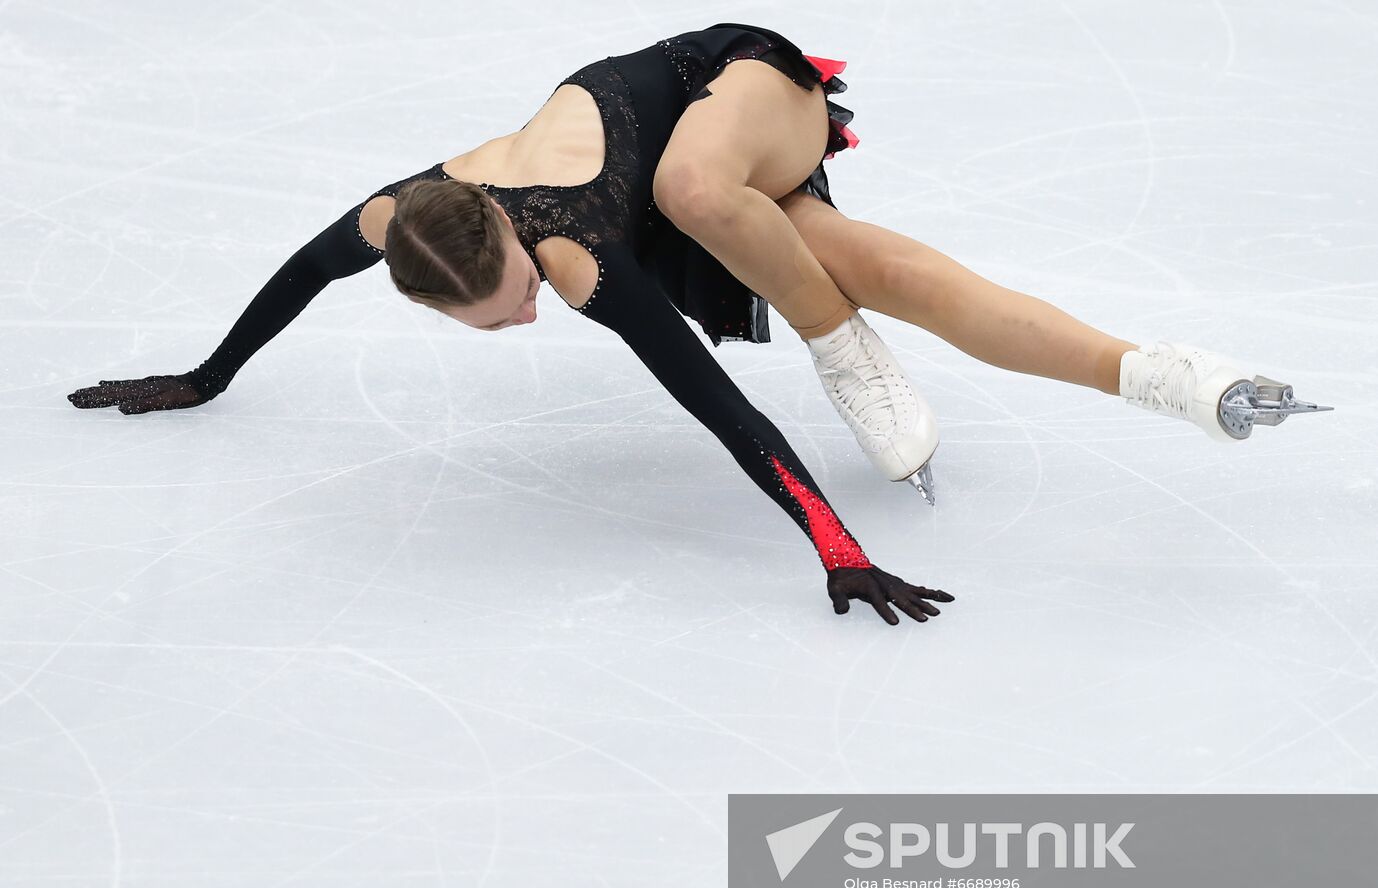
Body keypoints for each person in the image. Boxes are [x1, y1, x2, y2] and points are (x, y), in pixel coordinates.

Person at [67, 22, 1329, 624]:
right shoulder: (402, 215)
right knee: (890, 269)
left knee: (689, 186)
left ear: (518, 249)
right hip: (688, 208)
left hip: (726, 96)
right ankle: (1165, 375)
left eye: (509, 300)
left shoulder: (580, 262)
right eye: (487, 322)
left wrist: (832, 544)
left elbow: (725, 416)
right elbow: (301, 273)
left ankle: (838, 344)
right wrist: (205, 376)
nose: (516, 321)